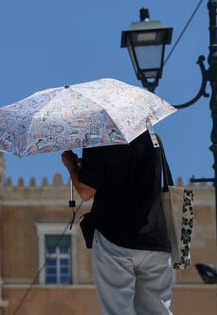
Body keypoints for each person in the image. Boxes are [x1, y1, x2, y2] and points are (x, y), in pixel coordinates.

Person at [61, 130, 173, 315]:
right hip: (155, 239)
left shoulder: (98, 137)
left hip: (114, 238)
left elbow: (86, 191)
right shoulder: (152, 136)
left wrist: (72, 167)